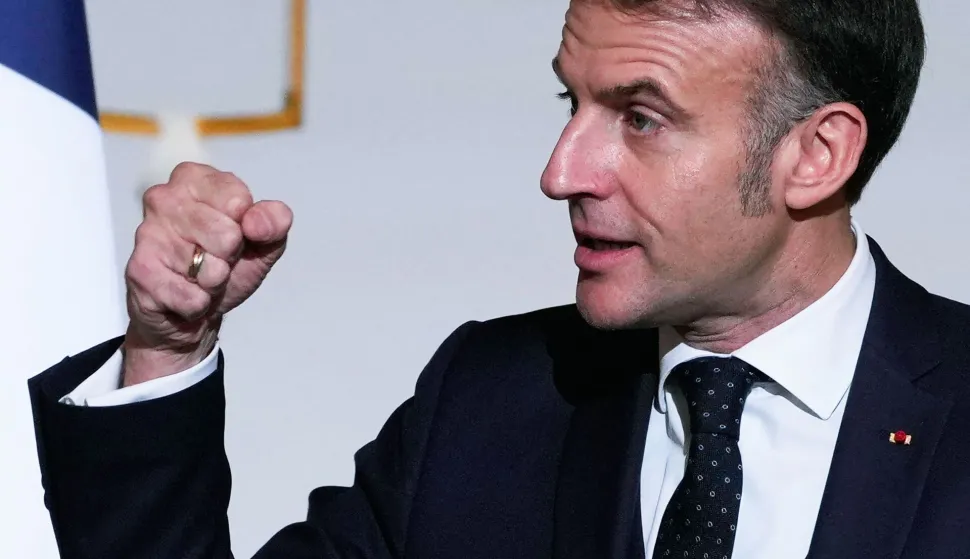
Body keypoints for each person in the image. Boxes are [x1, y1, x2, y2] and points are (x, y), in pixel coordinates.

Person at [26, 0, 970, 557]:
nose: (562, 171)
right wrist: (168, 348)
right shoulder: (489, 404)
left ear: (817, 155)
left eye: (641, 118)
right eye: (572, 101)